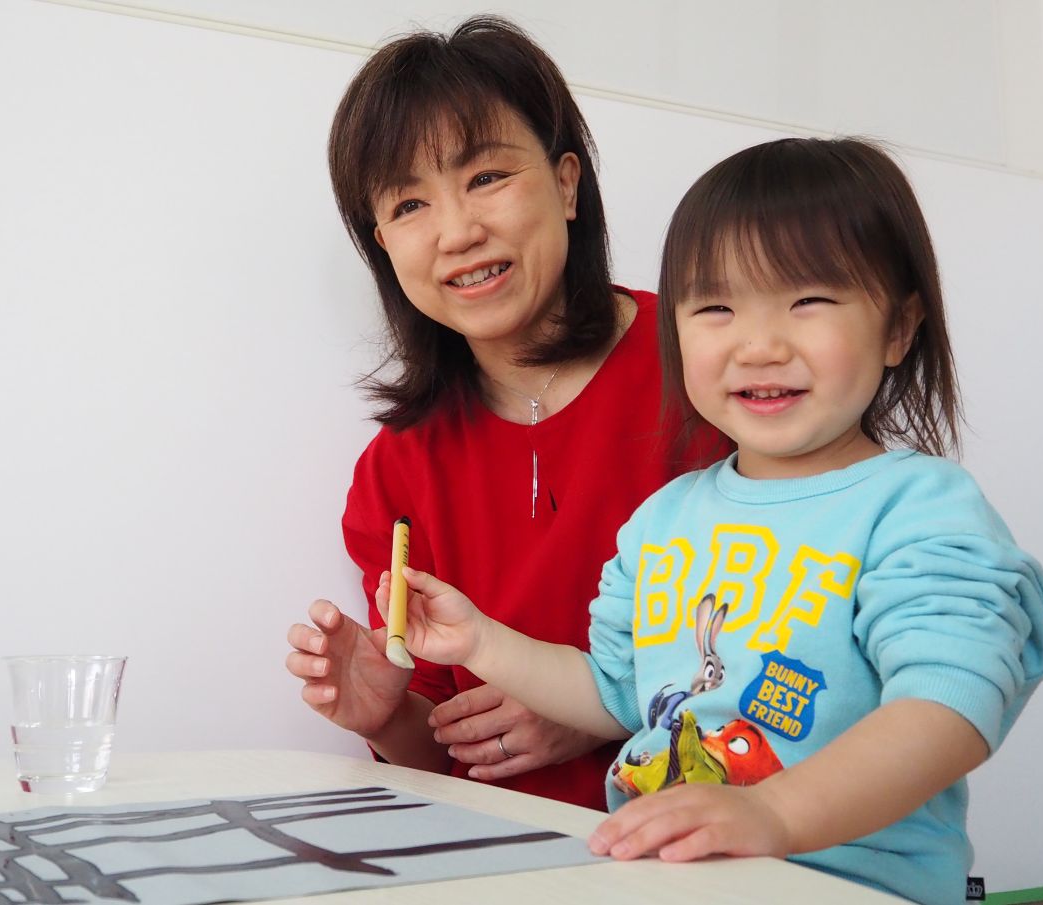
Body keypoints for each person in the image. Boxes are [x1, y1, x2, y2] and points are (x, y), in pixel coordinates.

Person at [375, 137, 1043, 905]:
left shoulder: (920, 508)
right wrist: (479, 640)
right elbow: (612, 690)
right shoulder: (663, 519)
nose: (758, 345)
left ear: (898, 328)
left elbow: (950, 707)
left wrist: (771, 810)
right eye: (717, 308)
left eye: (809, 301)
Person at [283, 16, 725, 811]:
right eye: (409, 204)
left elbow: (808, 634)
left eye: (486, 177)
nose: (457, 231)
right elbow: (449, 756)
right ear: (382, 242)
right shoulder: (397, 470)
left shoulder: (710, 369)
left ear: (565, 182)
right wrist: (387, 715)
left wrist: (598, 706)